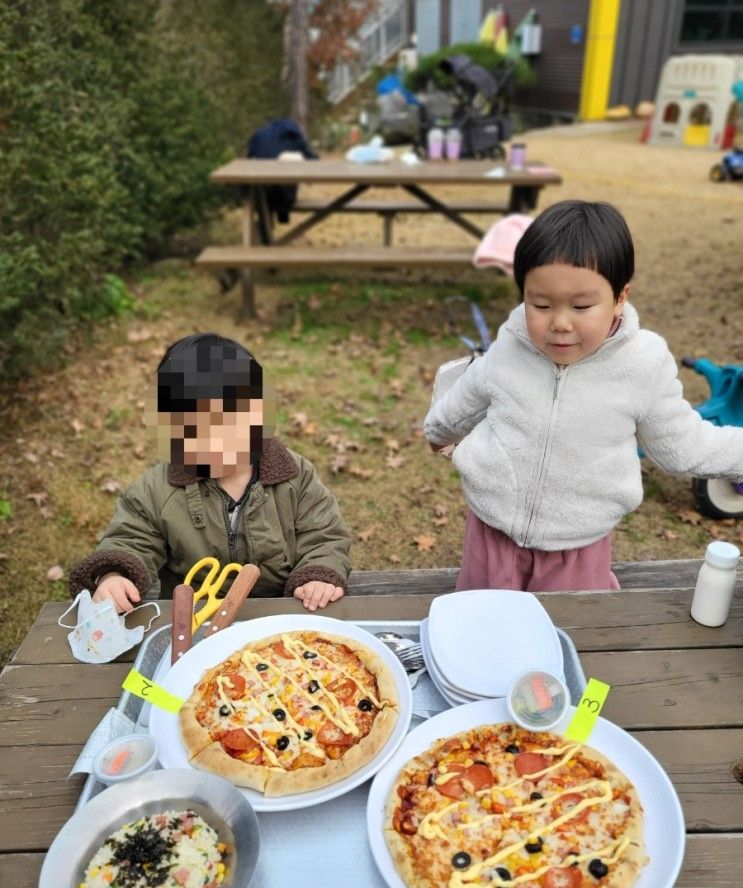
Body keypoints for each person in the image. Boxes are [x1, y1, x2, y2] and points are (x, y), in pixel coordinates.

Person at [424, 199, 743, 592]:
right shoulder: (511, 345)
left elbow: (684, 445)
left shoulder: (641, 365)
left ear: (620, 297)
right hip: (492, 533)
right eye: (540, 304)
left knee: (571, 632)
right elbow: (467, 397)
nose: (559, 323)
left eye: (581, 306)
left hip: (575, 545)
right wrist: (438, 430)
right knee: (484, 625)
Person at [69, 334, 351, 612]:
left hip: (278, 611)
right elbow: (132, 538)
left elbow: (324, 534)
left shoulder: (293, 476)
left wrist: (318, 573)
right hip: (192, 616)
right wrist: (114, 575)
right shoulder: (156, 492)